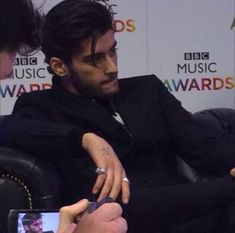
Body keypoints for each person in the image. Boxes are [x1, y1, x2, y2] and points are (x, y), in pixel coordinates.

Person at [0, 0, 235, 232]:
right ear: (60, 67)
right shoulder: (42, 109)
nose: (112, 67)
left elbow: (208, 150)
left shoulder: (147, 90)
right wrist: (86, 139)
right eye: (95, 59)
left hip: (204, 219)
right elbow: (116, 208)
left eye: (113, 51)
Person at [0, 1, 127, 233]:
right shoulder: (40, 107)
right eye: (11, 50)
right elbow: (10, 128)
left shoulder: (145, 92)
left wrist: (86, 139)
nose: (10, 70)